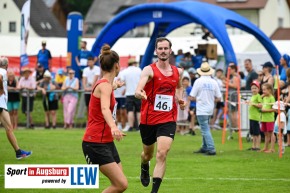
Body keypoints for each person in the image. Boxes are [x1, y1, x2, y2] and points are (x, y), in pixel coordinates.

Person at [135, 37, 186, 193]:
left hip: (168, 118)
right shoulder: (149, 70)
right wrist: (139, 93)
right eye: (160, 48)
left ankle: (154, 191)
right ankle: (144, 165)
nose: (163, 51)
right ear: (156, 51)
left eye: (166, 48)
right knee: (148, 154)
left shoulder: (178, 71)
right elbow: (138, 89)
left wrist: (180, 98)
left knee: (162, 153)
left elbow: (178, 87)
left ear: (170, 51)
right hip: (149, 119)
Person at [82, 44, 127, 193]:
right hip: (95, 143)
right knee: (121, 185)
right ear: (117, 66)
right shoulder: (105, 86)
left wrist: (115, 86)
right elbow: (104, 109)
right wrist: (114, 127)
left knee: (120, 185)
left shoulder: (105, 85)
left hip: (106, 142)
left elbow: (105, 91)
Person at [0, 57, 32, 159]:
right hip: (0, 104)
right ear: (7, 65)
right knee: (9, 128)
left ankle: (18, 152)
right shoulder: (3, 71)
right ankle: (18, 152)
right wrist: (1, 89)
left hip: (2, 104)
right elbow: (0, 78)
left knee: (9, 128)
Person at [190, 62, 222, 156]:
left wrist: (199, 98)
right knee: (205, 127)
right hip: (210, 108)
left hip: (201, 108)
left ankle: (211, 149)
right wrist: (211, 99)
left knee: (204, 129)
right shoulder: (214, 82)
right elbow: (219, 98)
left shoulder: (198, 81)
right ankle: (204, 147)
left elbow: (192, 96)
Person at [121, 58, 142, 131]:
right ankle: (139, 126)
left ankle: (130, 126)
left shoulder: (125, 71)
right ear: (134, 63)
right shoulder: (139, 70)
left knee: (130, 111)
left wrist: (126, 88)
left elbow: (123, 82)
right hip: (138, 93)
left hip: (129, 93)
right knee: (139, 111)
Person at [247, 80, 262, 151]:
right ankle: (253, 146)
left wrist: (253, 104)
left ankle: (257, 146)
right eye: (252, 88)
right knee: (253, 133)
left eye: (255, 88)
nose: (253, 89)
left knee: (257, 133)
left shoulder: (258, 96)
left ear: (258, 89)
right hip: (251, 117)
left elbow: (260, 105)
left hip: (256, 117)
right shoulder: (252, 96)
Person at [260, 83, 275, 153]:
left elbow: (274, 109)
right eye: (262, 90)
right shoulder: (264, 98)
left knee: (271, 133)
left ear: (269, 90)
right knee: (266, 134)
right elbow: (261, 104)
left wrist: (265, 110)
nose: (263, 91)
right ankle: (266, 148)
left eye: (265, 90)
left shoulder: (272, 98)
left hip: (269, 119)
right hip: (264, 118)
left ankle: (272, 149)